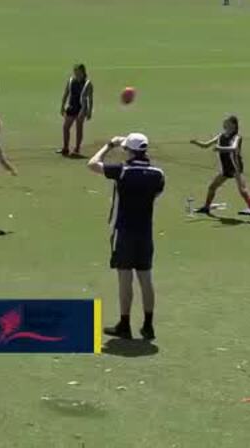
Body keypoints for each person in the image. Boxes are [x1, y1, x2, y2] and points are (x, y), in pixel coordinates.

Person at [88, 133, 165, 340]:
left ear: (129, 151)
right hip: (145, 232)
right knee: (146, 279)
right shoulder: (158, 174)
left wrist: (108, 145)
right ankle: (148, 325)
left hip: (124, 231)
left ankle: (124, 323)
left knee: (125, 279)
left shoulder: (122, 171)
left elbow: (93, 164)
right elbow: (156, 195)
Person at [190, 115, 250, 217]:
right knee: (212, 187)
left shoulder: (237, 137)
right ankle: (206, 207)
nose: (224, 124)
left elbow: (233, 148)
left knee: (243, 191)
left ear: (233, 125)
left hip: (235, 167)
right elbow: (206, 145)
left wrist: (220, 148)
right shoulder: (220, 136)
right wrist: (196, 142)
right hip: (226, 168)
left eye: (227, 122)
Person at [58, 64, 94, 157]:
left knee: (79, 128)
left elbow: (90, 99)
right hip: (71, 107)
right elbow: (66, 94)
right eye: (75, 72)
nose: (76, 73)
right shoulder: (70, 81)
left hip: (81, 108)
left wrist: (89, 111)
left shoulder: (88, 83)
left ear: (83, 72)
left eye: (78, 72)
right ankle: (65, 148)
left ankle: (77, 149)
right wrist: (62, 106)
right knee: (66, 127)